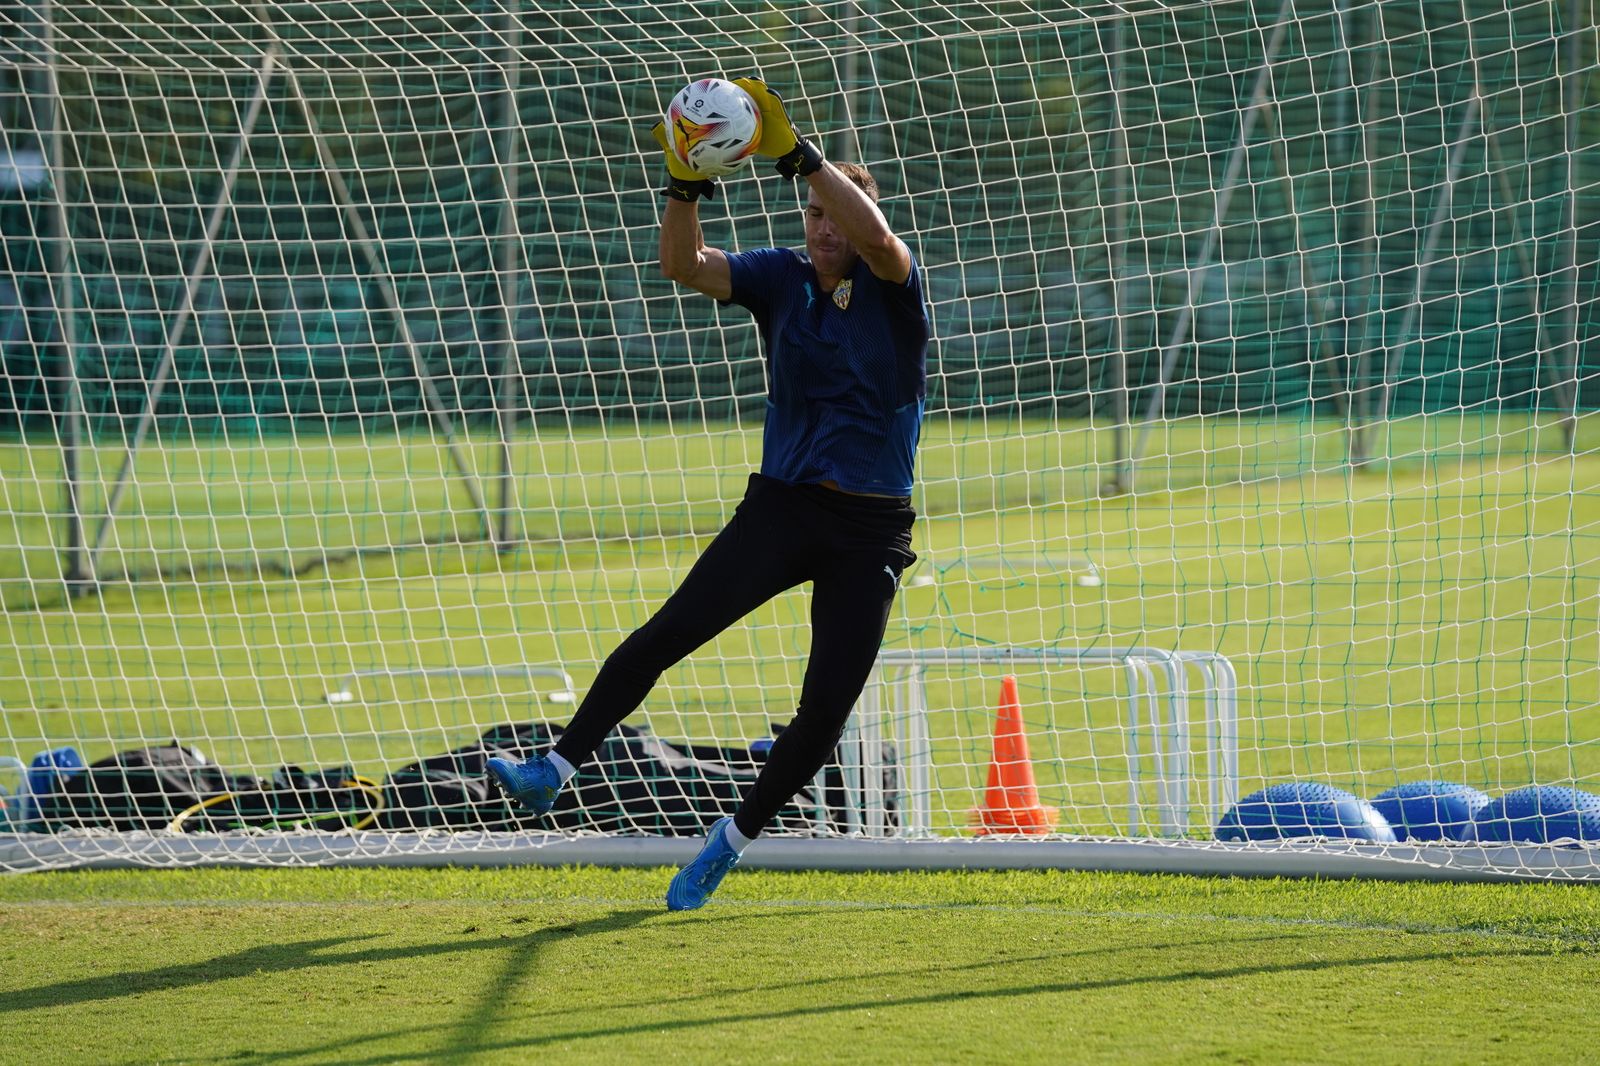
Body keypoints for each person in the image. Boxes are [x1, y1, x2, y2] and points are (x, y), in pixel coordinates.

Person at [488, 78, 928, 911]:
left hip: (870, 532)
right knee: (669, 633)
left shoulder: (894, 281)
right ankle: (556, 765)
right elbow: (681, 263)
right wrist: (684, 184)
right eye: (813, 215)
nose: (824, 228)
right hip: (783, 507)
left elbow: (875, 235)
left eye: (833, 213)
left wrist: (797, 155)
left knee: (824, 713)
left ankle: (726, 846)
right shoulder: (781, 278)